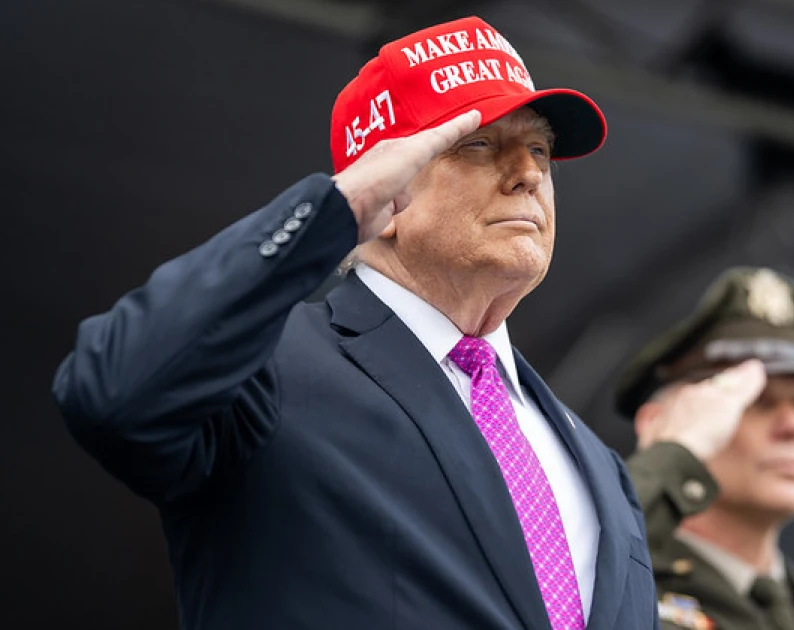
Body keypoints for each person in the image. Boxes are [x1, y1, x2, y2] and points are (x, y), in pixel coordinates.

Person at [52, 16, 656, 630]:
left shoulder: (598, 463)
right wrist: (335, 209)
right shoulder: (264, 372)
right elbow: (115, 391)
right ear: (384, 186)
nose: (529, 173)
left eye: (540, 150)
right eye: (478, 143)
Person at [616, 267, 794, 630]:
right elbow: (581, 554)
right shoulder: (617, 589)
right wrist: (672, 452)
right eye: (756, 400)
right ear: (658, 424)